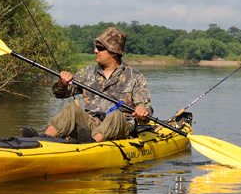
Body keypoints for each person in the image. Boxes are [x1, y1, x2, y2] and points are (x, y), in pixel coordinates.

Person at [23, 26, 153, 143]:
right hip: (91, 125)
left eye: (100, 48)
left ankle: (91, 144)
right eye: (96, 46)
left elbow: (146, 108)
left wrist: (143, 111)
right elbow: (61, 93)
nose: (95, 50)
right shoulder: (87, 72)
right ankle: (42, 139)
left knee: (115, 115)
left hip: (119, 127)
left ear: (113, 52)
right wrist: (61, 83)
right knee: (71, 108)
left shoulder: (134, 76)